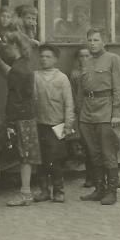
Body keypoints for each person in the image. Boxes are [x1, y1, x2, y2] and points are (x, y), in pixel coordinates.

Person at [77, 29, 120, 205]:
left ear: (104, 42)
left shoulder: (113, 59)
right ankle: (99, 189)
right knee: (93, 153)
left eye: (96, 40)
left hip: (106, 111)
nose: (92, 43)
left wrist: (116, 113)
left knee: (108, 153)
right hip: (87, 112)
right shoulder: (87, 62)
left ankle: (111, 192)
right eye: (89, 40)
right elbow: (82, 90)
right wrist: (79, 113)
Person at [0, 28, 40, 206]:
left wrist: (10, 121)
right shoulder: (23, 62)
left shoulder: (20, 70)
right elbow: (7, 65)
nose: (5, 47)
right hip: (22, 115)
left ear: (15, 47)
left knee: (24, 154)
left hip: (20, 116)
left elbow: (9, 76)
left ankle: (25, 193)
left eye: (7, 44)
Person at [33, 44, 74, 203]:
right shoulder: (35, 76)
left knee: (55, 159)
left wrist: (68, 124)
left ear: (55, 59)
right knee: (41, 160)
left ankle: (58, 190)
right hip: (40, 124)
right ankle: (44, 190)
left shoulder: (61, 78)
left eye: (48, 56)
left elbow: (68, 103)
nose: (44, 59)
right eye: (42, 56)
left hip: (57, 125)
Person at [69, 47, 94, 188]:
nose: (84, 58)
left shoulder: (96, 71)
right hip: (83, 113)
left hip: (96, 112)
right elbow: (74, 94)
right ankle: (90, 177)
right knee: (87, 145)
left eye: (87, 55)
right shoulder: (75, 75)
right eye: (81, 56)